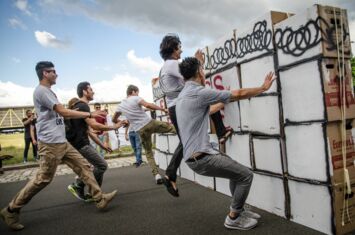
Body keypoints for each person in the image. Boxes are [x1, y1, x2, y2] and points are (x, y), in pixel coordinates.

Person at [0, 61, 117, 231]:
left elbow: (61, 115)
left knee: (84, 167)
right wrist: (90, 113)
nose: (56, 74)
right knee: (43, 179)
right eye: (53, 71)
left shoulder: (49, 92)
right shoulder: (41, 91)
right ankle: (11, 210)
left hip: (62, 142)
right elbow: (63, 112)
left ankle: (100, 199)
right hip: (50, 144)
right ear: (45, 73)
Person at [176, 57, 275, 230]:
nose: (204, 71)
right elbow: (238, 94)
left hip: (197, 156)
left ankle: (239, 209)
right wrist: (263, 88)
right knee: (245, 175)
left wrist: (222, 100)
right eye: (203, 69)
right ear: (199, 72)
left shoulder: (183, 96)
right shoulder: (199, 92)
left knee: (234, 174)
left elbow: (208, 110)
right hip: (203, 158)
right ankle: (233, 217)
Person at [158, 34, 232, 197]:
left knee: (186, 140)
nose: (181, 51)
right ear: (173, 49)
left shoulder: (164, 67)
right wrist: (198, 62)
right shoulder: (172, 65)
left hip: (176, 107)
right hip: (180, 106)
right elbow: (192, 75)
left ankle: (170, 175)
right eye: (179, 47)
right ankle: (170, 175)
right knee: (187, 140)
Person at [65, 82, 127, 202]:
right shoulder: (83, 106)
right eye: (91, 89)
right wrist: (114, 127)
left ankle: (88, 191)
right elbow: (94, 125)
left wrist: (102, 146)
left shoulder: (79, 106)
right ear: (84, 91)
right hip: (81, 145)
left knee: (93, 167)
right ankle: (83, 187)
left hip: (80, 144)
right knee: (101, 165)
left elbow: (90, 132)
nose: (93, 92)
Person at [112, 85, 175, 184]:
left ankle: (157, 176)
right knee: (172, 128)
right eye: (137, 92)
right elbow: (148, 105)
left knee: (149, 152)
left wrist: (123, 122)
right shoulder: (135, 98)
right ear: (133, 91)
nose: (138, 94)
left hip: (140, 130)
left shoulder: (120, 106)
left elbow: (113, 120)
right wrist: (163, 109)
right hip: (150, 123)